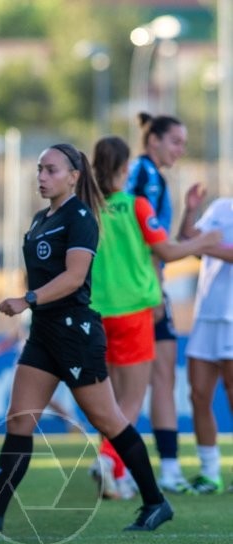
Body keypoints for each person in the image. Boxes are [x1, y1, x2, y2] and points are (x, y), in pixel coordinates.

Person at [0, 143, 173, 534]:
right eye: (39, 169)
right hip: (44, 334)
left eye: (51, 170)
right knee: (20, 419)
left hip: (75, 333)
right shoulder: (39, 218)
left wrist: (27, 299)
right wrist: (30, 307)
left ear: (74, 176)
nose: (42, 177)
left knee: (109, 419)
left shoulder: (81, 217)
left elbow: (75, 277)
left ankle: (155, 502)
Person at [89, 135, 220, 499]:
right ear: (125, 168)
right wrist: (205, 241)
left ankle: (116, 471)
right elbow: (166, 250)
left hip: (98, 313)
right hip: (133, 312)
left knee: (111, 397)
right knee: (130, 402)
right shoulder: (137, 205)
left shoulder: (90, 208)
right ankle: (106, 457)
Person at [126, 112, 205, 494]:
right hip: (143, 291)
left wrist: (189, 212)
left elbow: (161, 239)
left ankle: (160, 469)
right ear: (153, 139)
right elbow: (151, 244)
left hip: (145, 287)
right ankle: (119, 466)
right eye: (175, 141)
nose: (181, 149)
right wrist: (155, 284)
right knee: (141, 384)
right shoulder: (145, 178)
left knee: (156, 378)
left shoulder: (151, 177)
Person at [177, 197, 233, 493]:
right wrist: (190, 209)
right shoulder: (220, 207)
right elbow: (186, 239)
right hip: (206, 315)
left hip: (232, 317)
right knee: (198, 394)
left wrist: (201, 244)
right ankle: (210, 473)